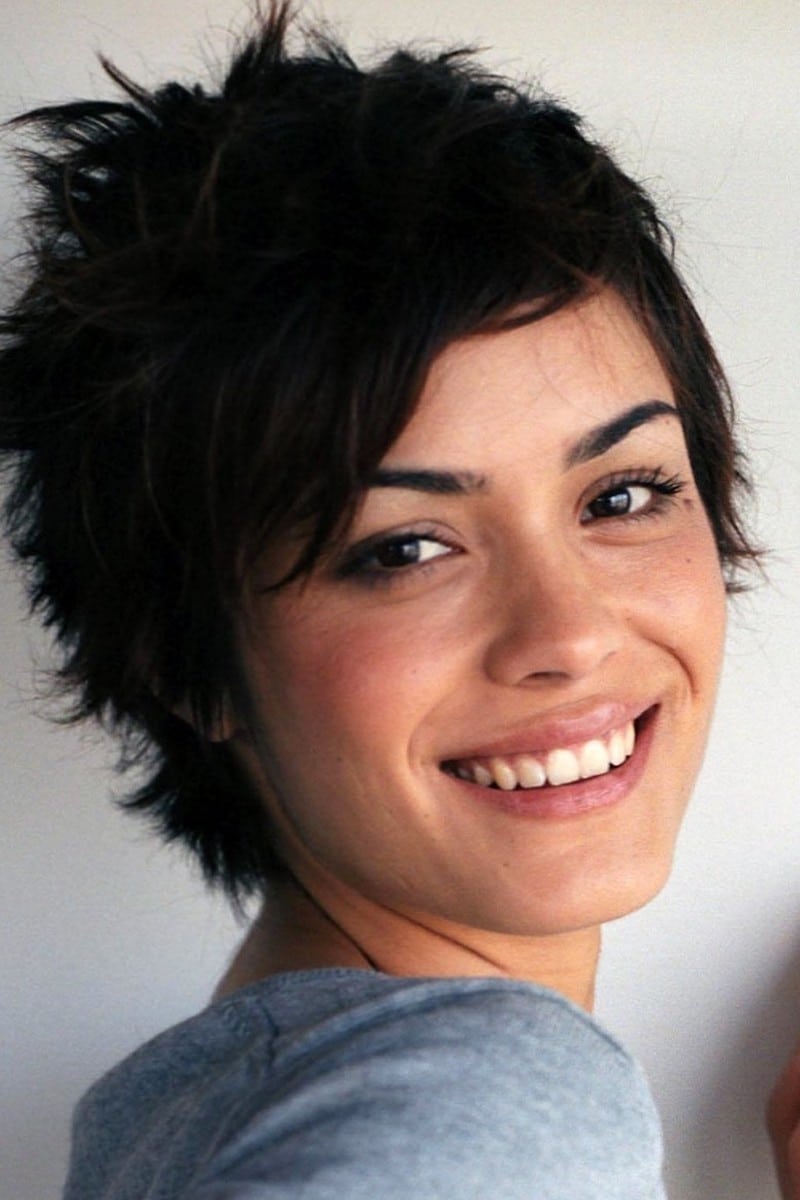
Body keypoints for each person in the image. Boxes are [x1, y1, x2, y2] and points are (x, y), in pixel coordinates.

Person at [0, 2, 796, 1196]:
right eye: (405, 548)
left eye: (621, 495)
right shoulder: (486, 1107)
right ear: (186, 659)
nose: (569, 633)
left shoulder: (185, 1102)